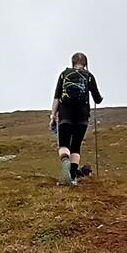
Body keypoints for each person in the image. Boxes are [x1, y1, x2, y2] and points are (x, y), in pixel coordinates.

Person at [49, 52, 103, 185]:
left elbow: (57, 97)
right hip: (82, 115)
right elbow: (97, 99)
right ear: (85, 63)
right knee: (76, 146)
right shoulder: (89, 76)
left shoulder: (64, 74)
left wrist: (52, 116)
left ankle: (65, 161)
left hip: (65, 113)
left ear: (72, 62)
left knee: (64, 144)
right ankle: (72, 177)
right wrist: (98, 98)